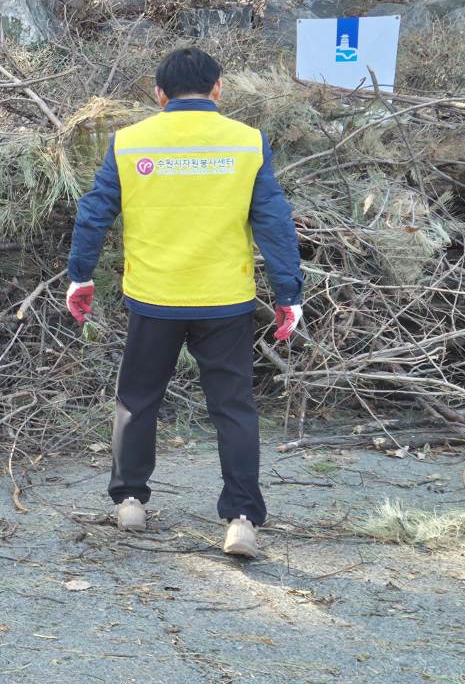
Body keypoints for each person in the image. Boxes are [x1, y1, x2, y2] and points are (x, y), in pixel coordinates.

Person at [63, 49, 305, 560]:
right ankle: (241, 519)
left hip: (154, 297)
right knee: (234, 407)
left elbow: (94, 213)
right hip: (225, 299)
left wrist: (80, 276)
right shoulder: (246, 142)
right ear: (219, 89)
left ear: (159, 93)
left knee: (138, 398)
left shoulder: (129, 143)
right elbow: (275, 223)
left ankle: (130, 500)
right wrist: (289, 293)